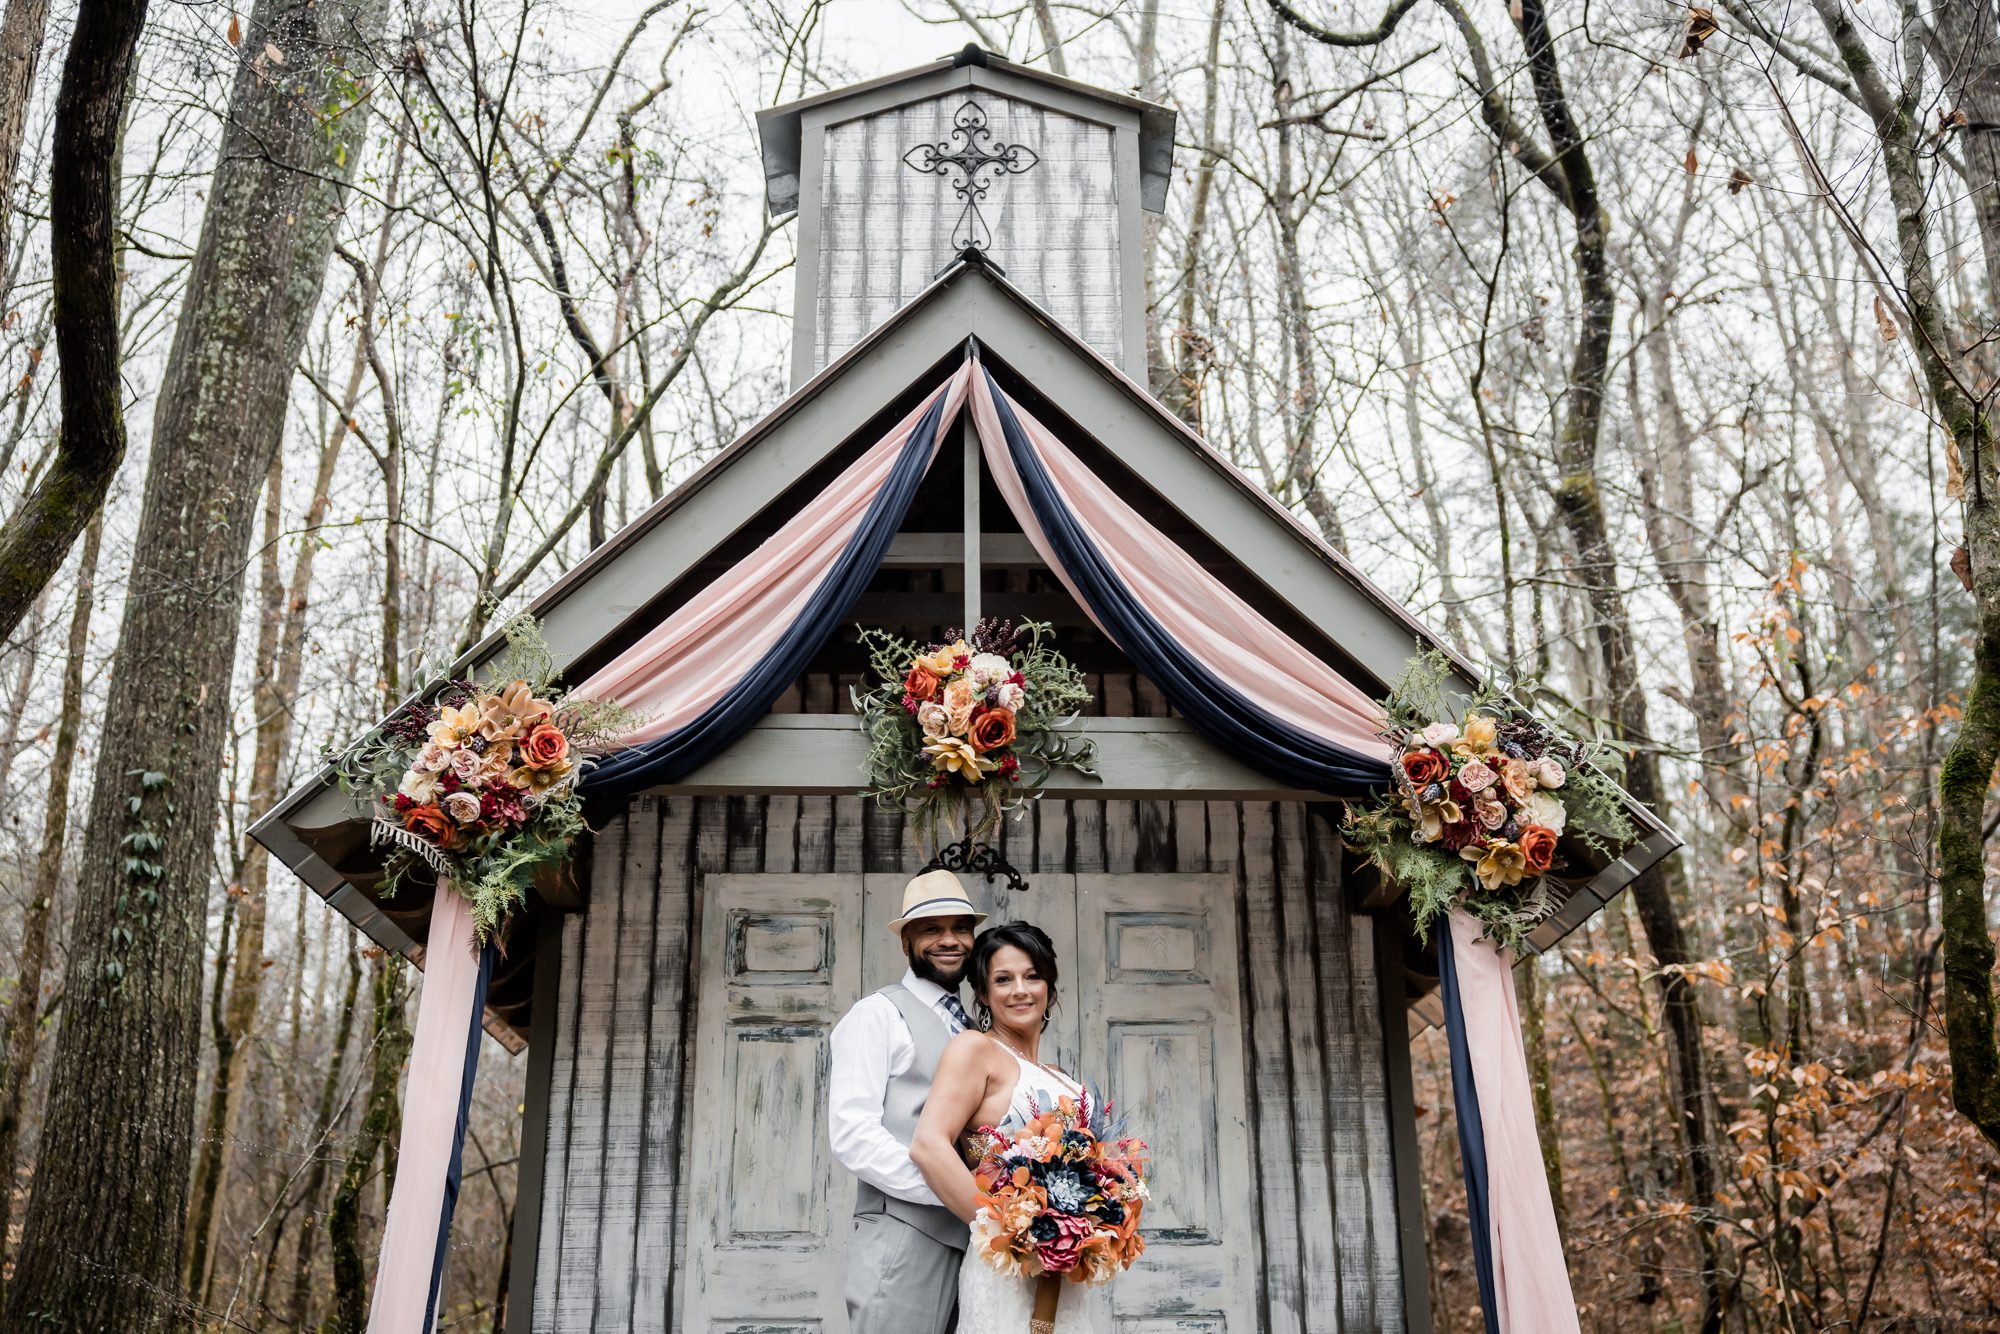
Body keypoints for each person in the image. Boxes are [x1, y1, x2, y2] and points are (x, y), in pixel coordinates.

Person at [909, 921, 1094, 1334]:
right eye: (1003, 979)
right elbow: (928, 1145)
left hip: (1065, 1275)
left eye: (1033, 976)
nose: (1020, 990)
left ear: (1050, 986)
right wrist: (1014, 1232)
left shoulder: (1061, 1077)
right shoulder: (975, 1050)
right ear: (982, 993)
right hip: (1008, 1266)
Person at [828, 868, 984, 1334]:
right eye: (931, 929)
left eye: (960, 928)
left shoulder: (974, 1029)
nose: (949, 940)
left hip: (973, 1242)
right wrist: (952, 1193)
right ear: (906, 943)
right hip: (903, 1234)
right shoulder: (877, 1015)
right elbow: (853, 1135)